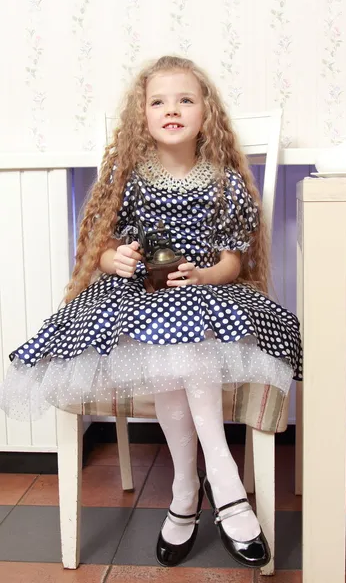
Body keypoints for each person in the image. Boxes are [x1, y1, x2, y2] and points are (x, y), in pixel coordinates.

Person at [0, 55, 302, 568]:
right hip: (138, 299)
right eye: (158, 101)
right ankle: (219, 489)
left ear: (207, 112)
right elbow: (101, 244)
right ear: (142, 114)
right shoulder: (128, 177)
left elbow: (232, 262)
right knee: (167, 335)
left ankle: (192, 494)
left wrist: (205, 275)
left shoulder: (225, 182)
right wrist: (110, 258)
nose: (172, 110)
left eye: (186, 99)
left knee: (186, 335)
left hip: (205, 296)